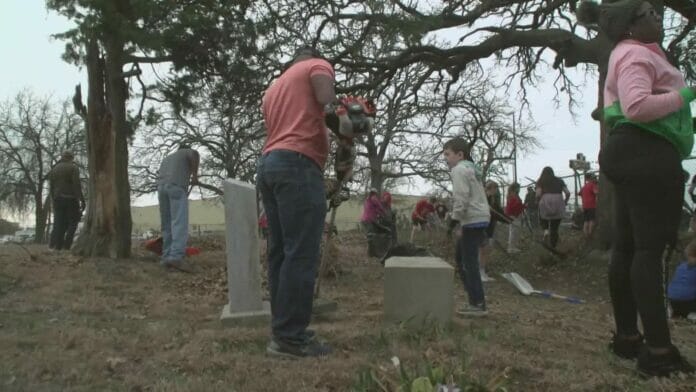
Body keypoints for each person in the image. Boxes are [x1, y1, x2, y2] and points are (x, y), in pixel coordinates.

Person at [579, 0, 695, 376]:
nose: (658, 16)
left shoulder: (627, 52)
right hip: (647, 152)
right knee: (652, 251)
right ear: (630, 24)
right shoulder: (635, 56)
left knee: (628, 248)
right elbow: (637, 106)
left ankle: (629, 338)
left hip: (628, 151)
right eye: (649, 12)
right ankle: (659, 351)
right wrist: (686, 95)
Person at [257, 46, 336, 358]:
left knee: (281, 253)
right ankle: (291, 337)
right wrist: (342, 114)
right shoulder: (316, 65)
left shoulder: (273, 89)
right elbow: (325, 98)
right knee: (301, 253)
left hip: (270, 163)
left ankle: (282, 330)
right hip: (298, 165)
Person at [443, 137, 491, 316]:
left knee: (467, 262)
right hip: (479, 217)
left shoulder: (459, 170)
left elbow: (461, 198)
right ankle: (474, 300)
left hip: (472, 218)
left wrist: (454, 221)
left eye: (448, 154)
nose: (446, 158)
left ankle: (477, 303)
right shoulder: (472, 169)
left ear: (460, 154)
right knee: (462, 258)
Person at [157, 144, 199, 271]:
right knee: (179, 222)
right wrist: (195, 175)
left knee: (167, 224)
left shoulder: (167, 158)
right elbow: (194, 154)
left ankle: (166, 257)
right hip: (176, 186)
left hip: (161, 188)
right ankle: (175, 257)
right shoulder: (186, 152)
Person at [48, 150, 85, 250]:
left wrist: (53, 199)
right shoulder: (73, 168)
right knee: (73, 222)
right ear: (71, 158)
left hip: (57, 199)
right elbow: (76, 185)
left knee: (59, 223)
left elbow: (51, 187)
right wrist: (81, 199)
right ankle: (67, 245)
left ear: (62, 157)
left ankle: (56, 246)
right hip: (70, 199)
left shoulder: (54, 169)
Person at [535, 167, 570, 249]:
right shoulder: (560, 181)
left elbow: (538, 194)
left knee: (542, 216)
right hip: (558, 200)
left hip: (545, 199)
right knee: (555, 226)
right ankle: (553, 246)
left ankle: (546, 230)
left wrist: (537, 201)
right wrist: (565, 201)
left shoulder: (541, 181)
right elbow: (567, 193)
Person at [480, 181, 507, 281]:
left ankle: (482, 271)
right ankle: (480, 272)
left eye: (496, 189)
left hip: (490, 226)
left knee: (487, 249)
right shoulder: (482, 199)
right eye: (494, 189)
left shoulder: (493, 199)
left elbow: (498, 212)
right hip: (482, 226)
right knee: (483, 249)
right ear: (489, 189)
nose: (496, 191)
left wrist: (508, 220)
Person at [667, 241, 696, 319]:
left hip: (672, 301)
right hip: (689, 302)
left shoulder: (681, 266)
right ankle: (691, 314)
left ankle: (677, 313)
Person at [505, 183, 525, 253]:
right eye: (518, 187)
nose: (519, 189)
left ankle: (513, 246)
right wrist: (522, 205)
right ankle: (511, 248)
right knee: (513, 232)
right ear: (515, 188)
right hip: (513, 215)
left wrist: (523, 206)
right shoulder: (512, 196)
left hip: (515, 215)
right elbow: (512, 206)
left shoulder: (514, 195)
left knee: (515, 232)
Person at [579, 173, 599, 239]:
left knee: (586, 221)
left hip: (584, 206)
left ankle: (586, 235)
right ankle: (590, 234)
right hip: (592, 205)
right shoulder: (592, 185)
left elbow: (579, 193)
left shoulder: (584, 186)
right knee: (592, 220)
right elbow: (596, 192)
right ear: (591, 178)